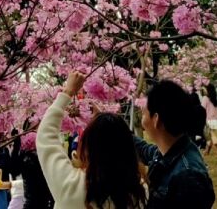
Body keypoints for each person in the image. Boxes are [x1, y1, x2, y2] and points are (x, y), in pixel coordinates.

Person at [37, 72, 147, 209]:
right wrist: (106, 123)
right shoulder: (139, 194)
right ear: (129, 150)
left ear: (87, 149)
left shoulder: (70, 185)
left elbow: (45, 135)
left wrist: (67, 92)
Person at [134, 80, 215, 209]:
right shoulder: (169, 150)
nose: (142, 120)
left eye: (143, 113)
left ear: (156, 119)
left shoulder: (188, 176)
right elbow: (143, 149)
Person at [201, 83, 217, 155]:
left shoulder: (205, 98)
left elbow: (202, 110)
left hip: (210, 121)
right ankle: (207, 151)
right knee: (209, 137)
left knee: (212, 136)